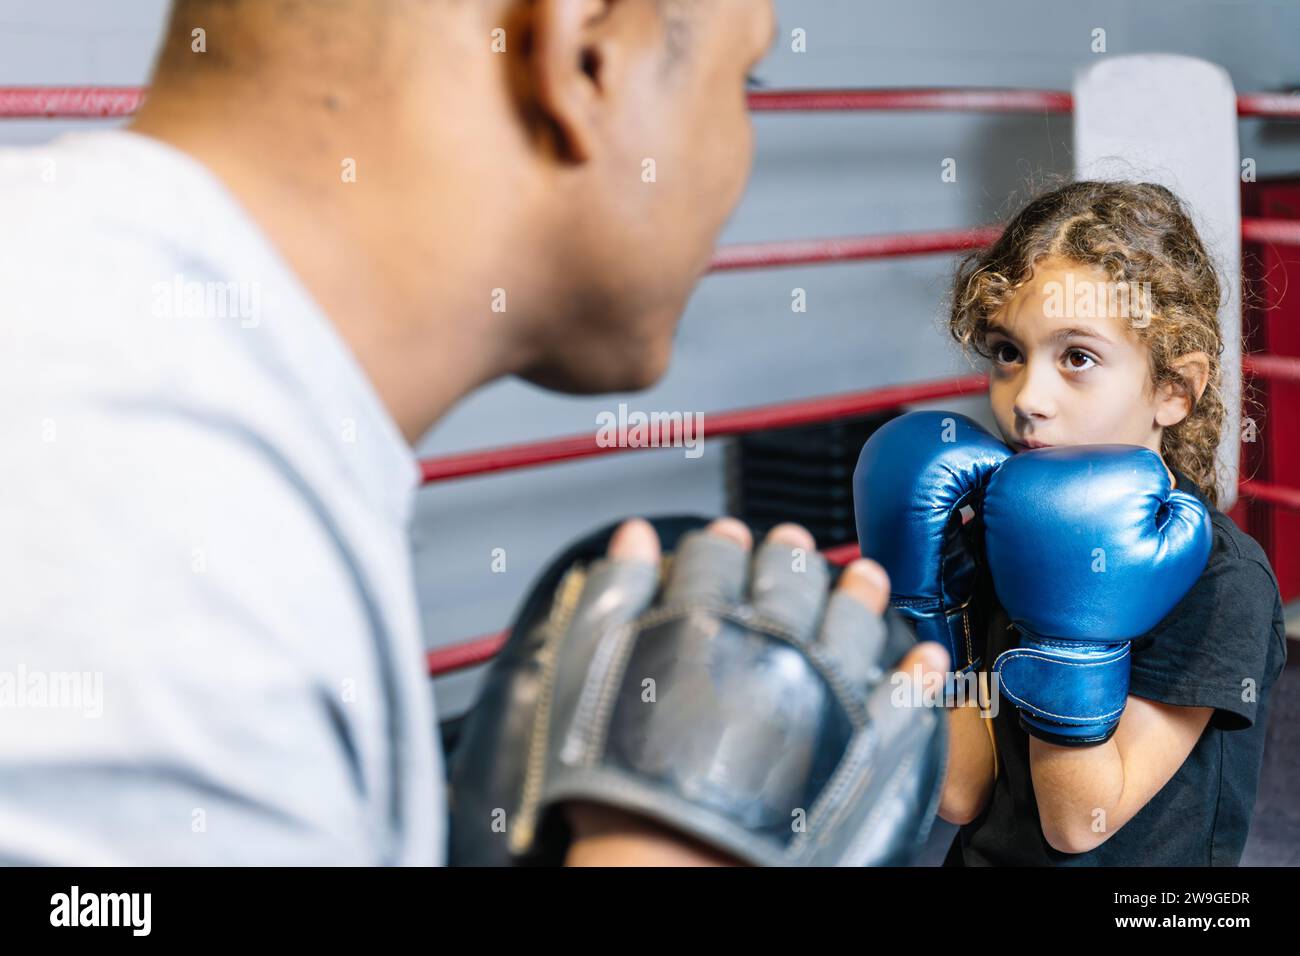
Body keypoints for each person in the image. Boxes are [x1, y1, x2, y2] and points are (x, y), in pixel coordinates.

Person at [0, 0, 946, 866]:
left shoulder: (107, 349)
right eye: (743, 83)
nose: (740, 151)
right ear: (586, 54)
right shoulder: (140, 512)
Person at [863, 181, 1287, 866]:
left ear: (1175, 389)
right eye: (1008, 352)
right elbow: (961, 794)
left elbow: (1078, 823)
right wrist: (923, 606)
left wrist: (1071, 627)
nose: (1028, 397)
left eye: (1078, 357)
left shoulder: (1222, 581)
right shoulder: (987, 526)